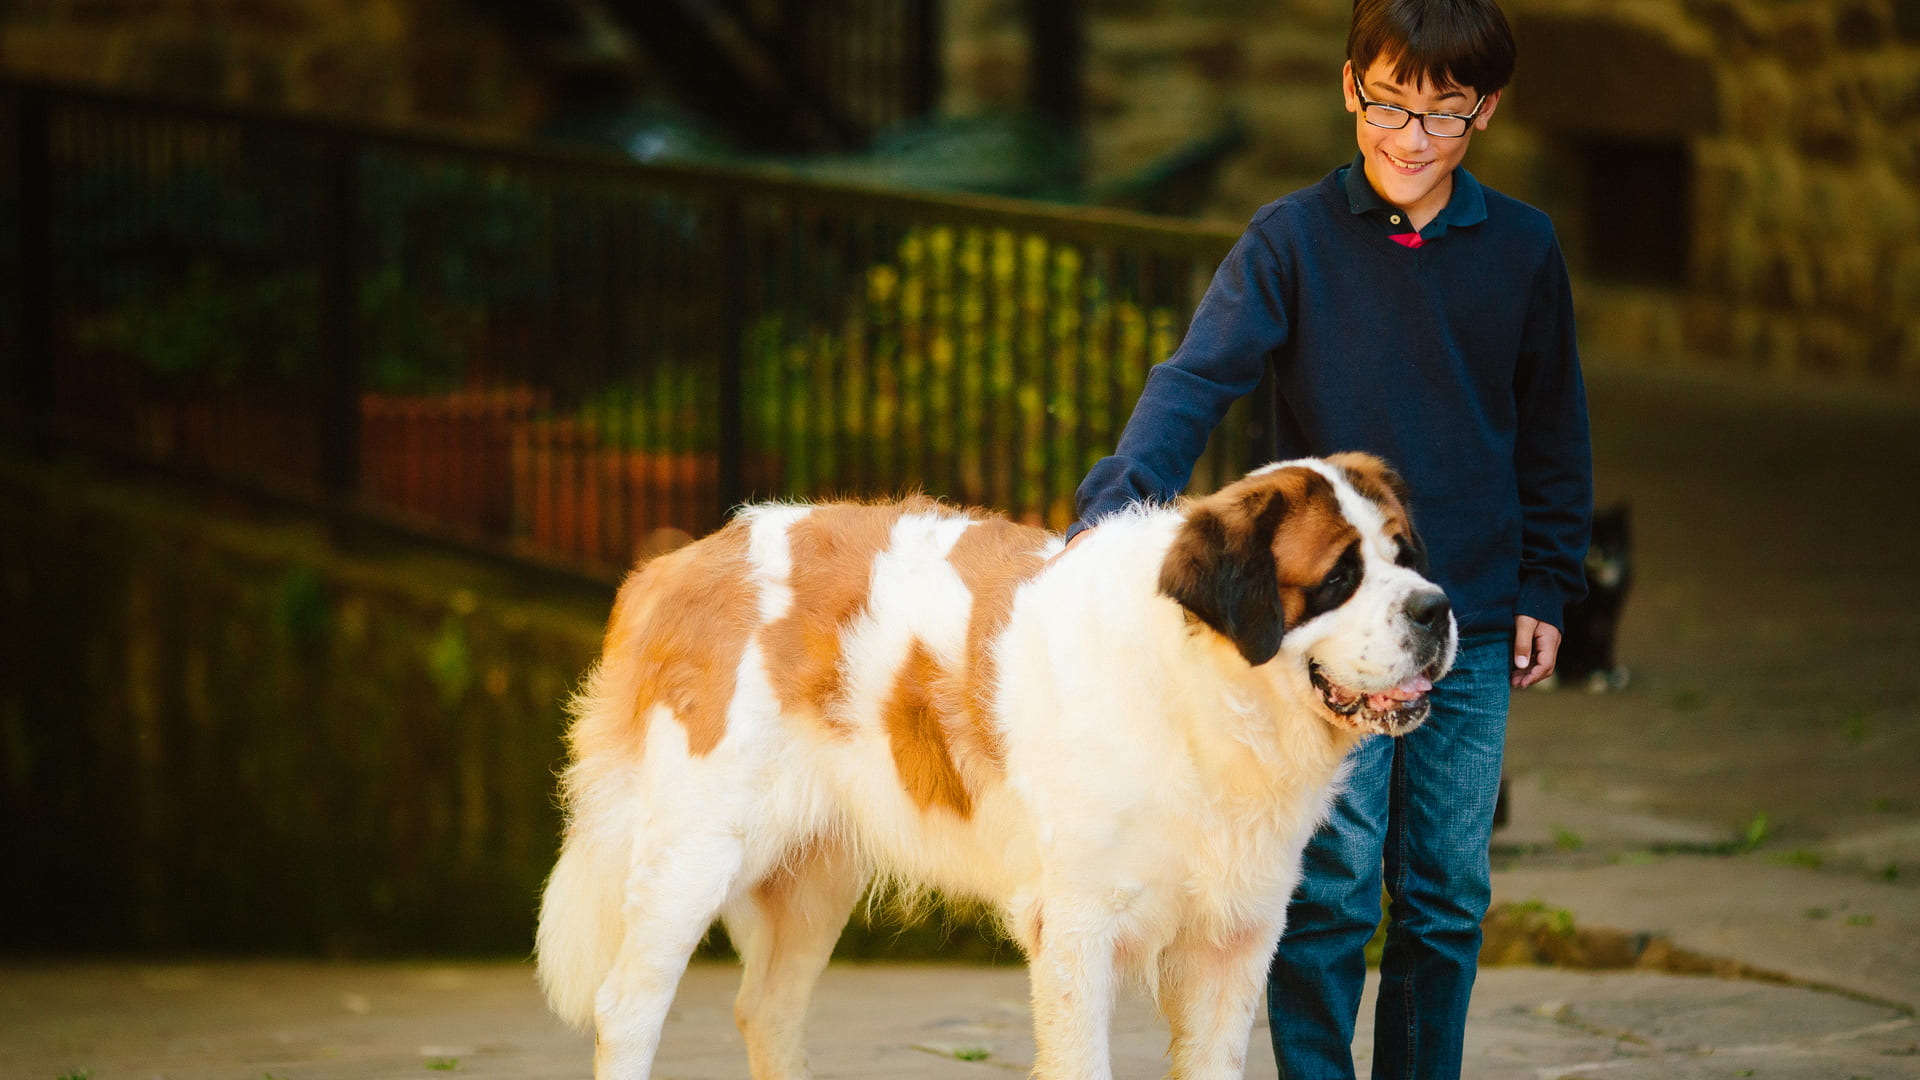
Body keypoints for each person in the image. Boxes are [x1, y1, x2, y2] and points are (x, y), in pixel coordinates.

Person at [1062, 0, 1592, 1076]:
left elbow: (1553, 433)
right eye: (1392, 104)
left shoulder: (1525, 250)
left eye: (1444, 116)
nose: (1412, 138)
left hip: (1472, 621)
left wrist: (1549, 583)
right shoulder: (1290, 241)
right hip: (1337, 633)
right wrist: (1110, 513)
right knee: (1334, 893)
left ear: (1485, 111)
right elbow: (1198, 379)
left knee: (1446, 895)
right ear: (1352, 87)